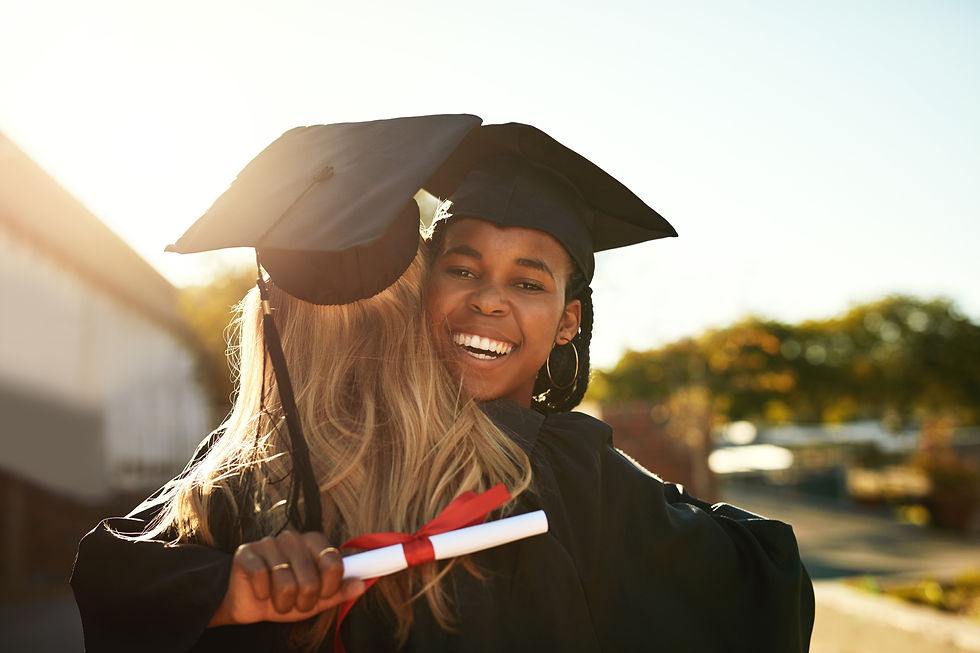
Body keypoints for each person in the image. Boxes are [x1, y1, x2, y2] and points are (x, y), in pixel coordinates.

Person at [72, 115, 814, 652]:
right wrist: (225, 587)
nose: (489, 300)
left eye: (528, 281)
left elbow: (757, 579)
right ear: (421, 284)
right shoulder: (285, 464)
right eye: (462, 268)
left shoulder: (577, 470)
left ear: (569, 321)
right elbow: (118, 569)